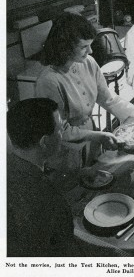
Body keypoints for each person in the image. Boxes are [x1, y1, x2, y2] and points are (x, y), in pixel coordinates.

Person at [36, 12, 134, 167]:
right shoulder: (48, 80)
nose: (90, 51)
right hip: (65, 150)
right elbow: (59, 131)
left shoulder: (88, 62)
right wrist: (98, 136)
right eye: (84, 47)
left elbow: (108, 99)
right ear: (65, 48)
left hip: (92, 141)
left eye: (90, 45)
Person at [7, 98, 80, 256]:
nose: (62, 134)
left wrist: (79, 174)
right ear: (44, 142)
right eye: (61, 129)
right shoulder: (50, 201)